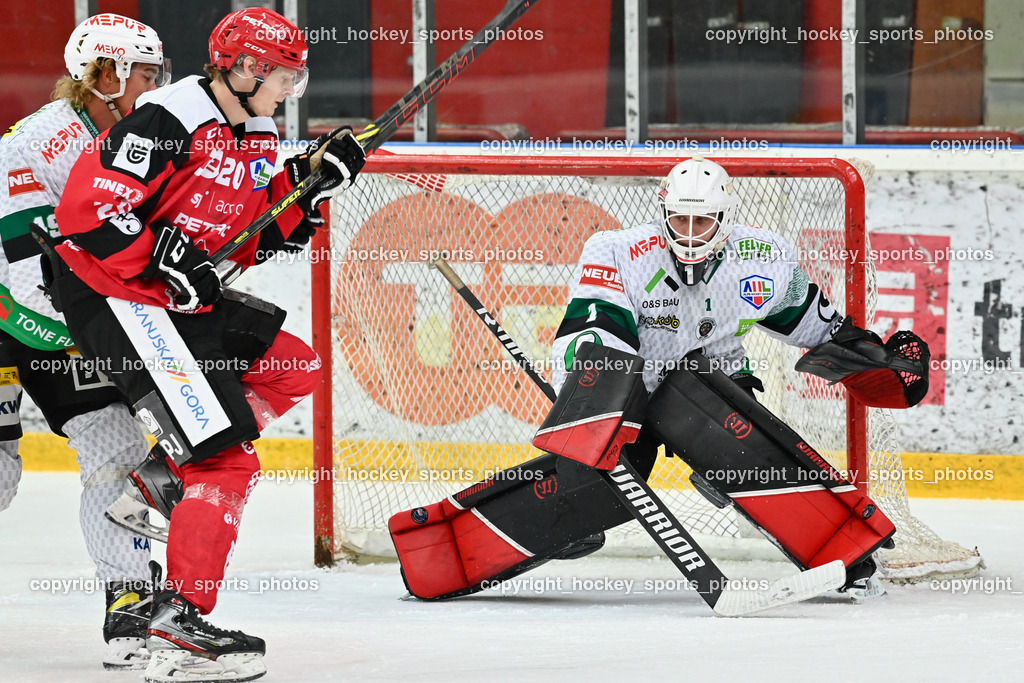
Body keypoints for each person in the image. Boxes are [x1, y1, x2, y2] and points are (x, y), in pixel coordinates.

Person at [388, 157, 930, 605]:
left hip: (711, 385)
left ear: (727, 219)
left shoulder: (761, 258)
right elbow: (594, 332)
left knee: (742, 441)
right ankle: (444, 550)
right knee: (597, 489)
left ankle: (846, 551)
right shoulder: (618, 250)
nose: (690, 234)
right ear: (663, 213)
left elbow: (817, 326)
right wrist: (602, 411)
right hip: (632, 387)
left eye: (704, 223)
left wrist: (873, 357)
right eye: (680, 221)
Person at [50, 7, 365, 682]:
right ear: (247, 67)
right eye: (286, 76)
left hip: (176, 300)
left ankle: (158, 480)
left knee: (295, 365)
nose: (291, 89)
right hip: (117, 294)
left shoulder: (254, 129)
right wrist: (160, 259)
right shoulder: (172, 116)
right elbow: (87, 213)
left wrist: (308, 183)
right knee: (226, 463)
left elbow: (252, 233)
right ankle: (178, 624)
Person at [0, 13, 171, 670]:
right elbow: (28, 279)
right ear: (105, 76)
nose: (153, 90)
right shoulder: (38, 143)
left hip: (66, 326)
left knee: (118, 452)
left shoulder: (135, 146)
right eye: (145, 76)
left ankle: (129, 599)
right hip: (12, 315)